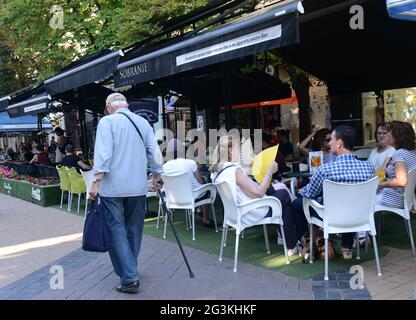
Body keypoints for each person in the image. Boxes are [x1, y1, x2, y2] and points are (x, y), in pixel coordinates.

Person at [89, 93, 163, 294]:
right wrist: (157, 175)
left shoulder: (107, 122)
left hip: (113, 188)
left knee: (116, 229)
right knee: (134, 228)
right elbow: (154, 152)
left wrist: (96, 182)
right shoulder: (143, 122)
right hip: (137, 187)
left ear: (109, 107)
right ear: (126, 105)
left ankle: (129, 277)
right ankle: (130, 268)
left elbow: (104, 155)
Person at [290, 125, 375, 259]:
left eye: (332, 139)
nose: (329, 143)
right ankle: (347, 245)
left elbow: (309, 193)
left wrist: (300, 190)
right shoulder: (369, 168)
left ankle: (305, 243)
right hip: (359, 215)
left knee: (296, 204)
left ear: (339, 143)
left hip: (331, 216)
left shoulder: (325, 170)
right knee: (349, 202)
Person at [210, 135, 299, 255]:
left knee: (277, 190)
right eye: (238, 148)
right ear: (230, 150)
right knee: (283, 195)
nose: (240, 151)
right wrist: (269, 172)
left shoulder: (217, 172)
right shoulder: (235, 171)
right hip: (251, 211)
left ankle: (289, 238)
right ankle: (292, 243)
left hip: (234, 212)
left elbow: (249, 191)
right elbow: (258, 193)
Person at [163, 139, 215, 228]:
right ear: (182, 150)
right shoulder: (190, 163)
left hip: (173, 199)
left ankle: (199, 211)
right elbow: (200, 181)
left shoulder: (164, 167)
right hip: (192, 197)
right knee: (206, 189)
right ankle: (205, 220)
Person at [377, 121, 416, 209]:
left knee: (364, 198)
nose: (387, 135)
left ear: (397, 136)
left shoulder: (399, 154)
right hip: (408, 198)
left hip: (395, 198)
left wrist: (381, 184)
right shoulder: (412, 152)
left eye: (389, 132)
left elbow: (401, 181)